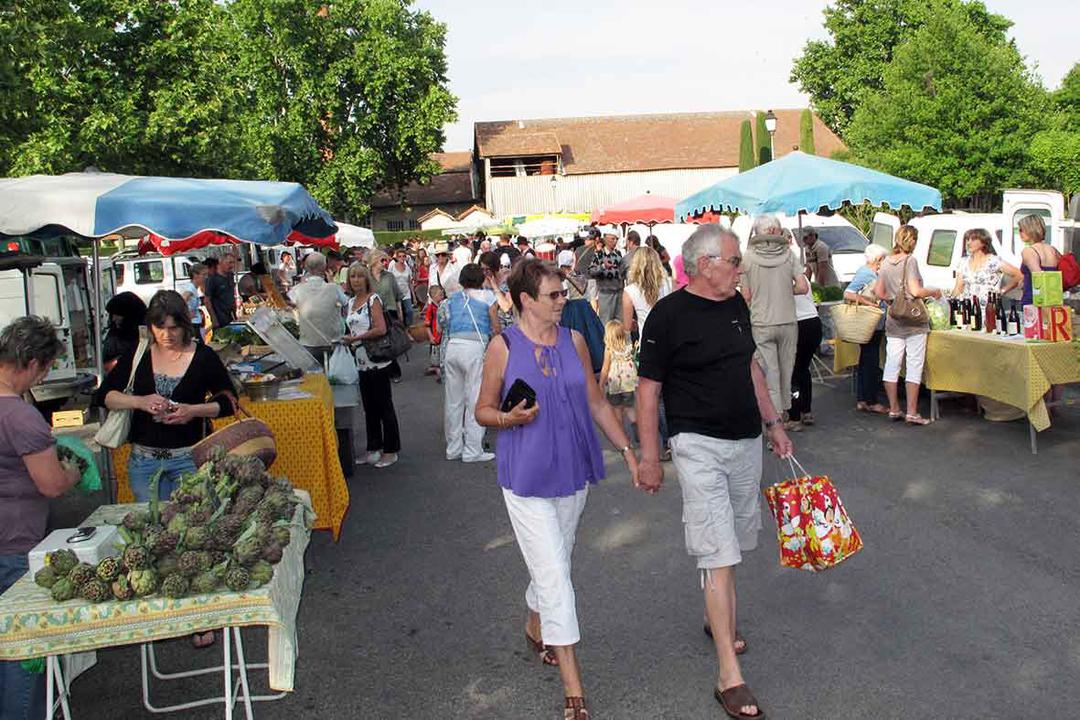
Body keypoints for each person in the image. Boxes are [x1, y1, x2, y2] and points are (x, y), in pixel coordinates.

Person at [635, 224, 794, 720]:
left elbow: (751, 368)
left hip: (745, 440)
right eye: (732, 260)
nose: (739, 268)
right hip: (695, 442)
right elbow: (647, 390)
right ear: (704, 265)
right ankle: (730, 676)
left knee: (736, 542)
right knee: (719, 550)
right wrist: (647, 455)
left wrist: (773, 422)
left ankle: (714, 616)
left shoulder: (736, 305)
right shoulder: (667, 315)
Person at [474, 259, 638, 720]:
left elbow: (595, 400)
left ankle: (533, 623)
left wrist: (628, 451)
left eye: (562, 293)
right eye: (554, 295)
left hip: (572, 471)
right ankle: (574, 690)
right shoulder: (502, 347)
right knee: (557, 579)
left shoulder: (576, 341)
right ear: (526, 300)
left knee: (554, 562)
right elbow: (482, 410)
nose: (563, 301)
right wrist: (510, 418)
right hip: (525, 478)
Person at [0, 317, 81, 720]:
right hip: (15, 543)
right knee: (22, 651)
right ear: (31, 362)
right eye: (46, 368)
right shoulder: (18, 416)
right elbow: (51, 484)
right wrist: (75, 470)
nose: (44, 376)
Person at [96, 291, 235, 501]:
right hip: (144, 463)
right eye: (160, 327)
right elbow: (104, 395)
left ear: (185, 326)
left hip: (190, 459)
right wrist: (140, 402)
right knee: (154, 525)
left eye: (173, 328)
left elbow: (229, 402)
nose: (166, 335)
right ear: (150, 326)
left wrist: (194, 410)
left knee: (194, 525)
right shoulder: (138, 354)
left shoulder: (203, 357)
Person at [741, 214, 810, 419]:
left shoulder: (747, 257)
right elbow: (803, 286)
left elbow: (746, 295)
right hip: (788, 320)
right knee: (786, 371)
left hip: (761, 322)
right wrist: (785, 291)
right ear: (776, 231)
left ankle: (776, 417)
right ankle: (787, 409)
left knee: (769, 373)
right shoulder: (789, 255)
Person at [875, 225, 943, 425]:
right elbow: (915, 290)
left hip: (894, 319)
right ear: (913, 241)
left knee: (892, 363)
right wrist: (933, 291)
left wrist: (892, 300)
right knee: (914, 364)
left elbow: (879, 291)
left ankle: (894, 408)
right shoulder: (910, 261)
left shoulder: (886, 262)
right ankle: (912, 411)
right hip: (913, 320)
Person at [341, 263, 401, 468]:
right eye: (353, 276)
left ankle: (391, 450)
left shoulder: (373, 300)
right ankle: (373, 448)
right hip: (360, 361)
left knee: (384, 406)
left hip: (377, 359)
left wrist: (357, 337)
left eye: (359, 276)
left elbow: (381, 328)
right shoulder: (350, 303)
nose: (356, 280)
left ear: (366, 279)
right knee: (369, 407)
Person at [441, 264, 501, 463]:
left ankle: (453, 447)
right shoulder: (488, 297)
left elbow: (445, 322)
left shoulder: (452, 299)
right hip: (475, 348)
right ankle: (473, 450)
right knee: (474, 399)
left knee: (453, 401)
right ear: (480, 279)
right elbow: (495, 325)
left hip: (452, 347)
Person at [844, 244, 890, 414]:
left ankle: (863, 399)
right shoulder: (866, 273)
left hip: (872, 323)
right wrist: (868, 303)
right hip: (870, 323)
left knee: (865, 361)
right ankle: (871, 400)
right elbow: (848, 293)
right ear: (878, 259)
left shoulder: (869, 273)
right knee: (870, 361)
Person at [288, 253, 349, 367]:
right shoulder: (333, 288)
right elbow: (346, 302)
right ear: (325, 267)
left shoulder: (297, 290)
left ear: (306, 267)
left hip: (309, 342)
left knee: (314, 377)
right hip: (333, 341)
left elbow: (290, 302)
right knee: (336, 377)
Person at [951, 228, 1022, 306]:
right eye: (968, 240)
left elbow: (1019, 275)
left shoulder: (993, 261)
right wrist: (951, 302)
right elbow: (958, 287)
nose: (969, 243)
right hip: (969, 308)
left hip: (989, 308)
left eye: (973, 240)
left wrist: (1002, 291)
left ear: (983, 242)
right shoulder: (963, 262)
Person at [368, 249, 406, 382]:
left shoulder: (389, 276)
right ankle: (380, 371)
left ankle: (395, 372)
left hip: (390, 311)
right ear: (374, 261)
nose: (385, 263)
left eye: (386, 260)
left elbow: (397, 296)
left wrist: (400, 313)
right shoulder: (366, 277)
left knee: (390, 343)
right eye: (382, 260)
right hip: (373, 313)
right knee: (376, 344)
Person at [788, 284, 822, 431]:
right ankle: (806, 411)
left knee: (792, 372)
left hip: (796, 323)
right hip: (813, 321)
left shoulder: (781, 274)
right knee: (803, 369)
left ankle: (794, 417)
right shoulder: (802, 277)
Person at [621, 246, 671, 337]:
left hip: (646, 341)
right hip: (668, 338)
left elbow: (627, 327)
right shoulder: (667, 284)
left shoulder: (630, 291)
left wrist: (634, 323)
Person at [599, 320, 638, 435]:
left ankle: (622, 434)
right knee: (629, 407)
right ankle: (634, 421)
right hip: (629, 385)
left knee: (617, 409)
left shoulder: (609, 350)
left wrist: (601, 384)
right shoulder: (628, 346)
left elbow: (605, 368)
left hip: (614, 385)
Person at [1016, 214, 1060, 307]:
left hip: (1034, 302)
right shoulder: (1053, 250)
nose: (1019, 233)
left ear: (1030, 229)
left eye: (1021, 230)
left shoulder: (1029, 251)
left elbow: (1038, 276)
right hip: (1054, 300)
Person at [102, 291, 147, 371]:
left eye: (117, 315)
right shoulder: (115, 334)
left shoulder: (146, 334)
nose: (114, 319)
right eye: (112, 315)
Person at [588, 230, 624, 322]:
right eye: (613, 239)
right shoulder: (599, 255)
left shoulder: (618, 254)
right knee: (606, 322)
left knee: (620, 322)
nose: (615, 241)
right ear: (606, 239)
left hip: (619, 292)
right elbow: (591, 271)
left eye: (616, 239)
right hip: (606, 293)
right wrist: (603, 267)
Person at [204, 253, 237, 327]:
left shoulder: (230, 275)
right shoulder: (212, 279)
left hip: (231, 314)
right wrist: (213, 318)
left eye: (233, 263)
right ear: (220, 262)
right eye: (229, 263)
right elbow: (207, 300)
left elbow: (232, 294)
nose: (232, 266)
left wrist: (235, 313)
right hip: (220, 316)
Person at [388, 246, 415, 327]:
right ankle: (401, 329)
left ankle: (408, 328)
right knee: (399, 314)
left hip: (406, 292)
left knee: (409, 311)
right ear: (397, 257)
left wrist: (414, 296)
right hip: (395, 293)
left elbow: (410, 282)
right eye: (400, 256)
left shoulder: (407, 268)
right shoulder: (392, 266)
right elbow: (389, 279)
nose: (402, 258)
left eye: (404, 256)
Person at [424, 285, 445, 379]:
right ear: (433, 297)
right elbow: (427, 324)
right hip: (435, 334)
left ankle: (439, 366)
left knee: (442, 350)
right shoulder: (431, 308)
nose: (442, 297)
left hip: (443, 334)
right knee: (435, 352)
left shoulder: (443, 306)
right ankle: (437, 368)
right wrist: (430, 336)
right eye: (440, 295)